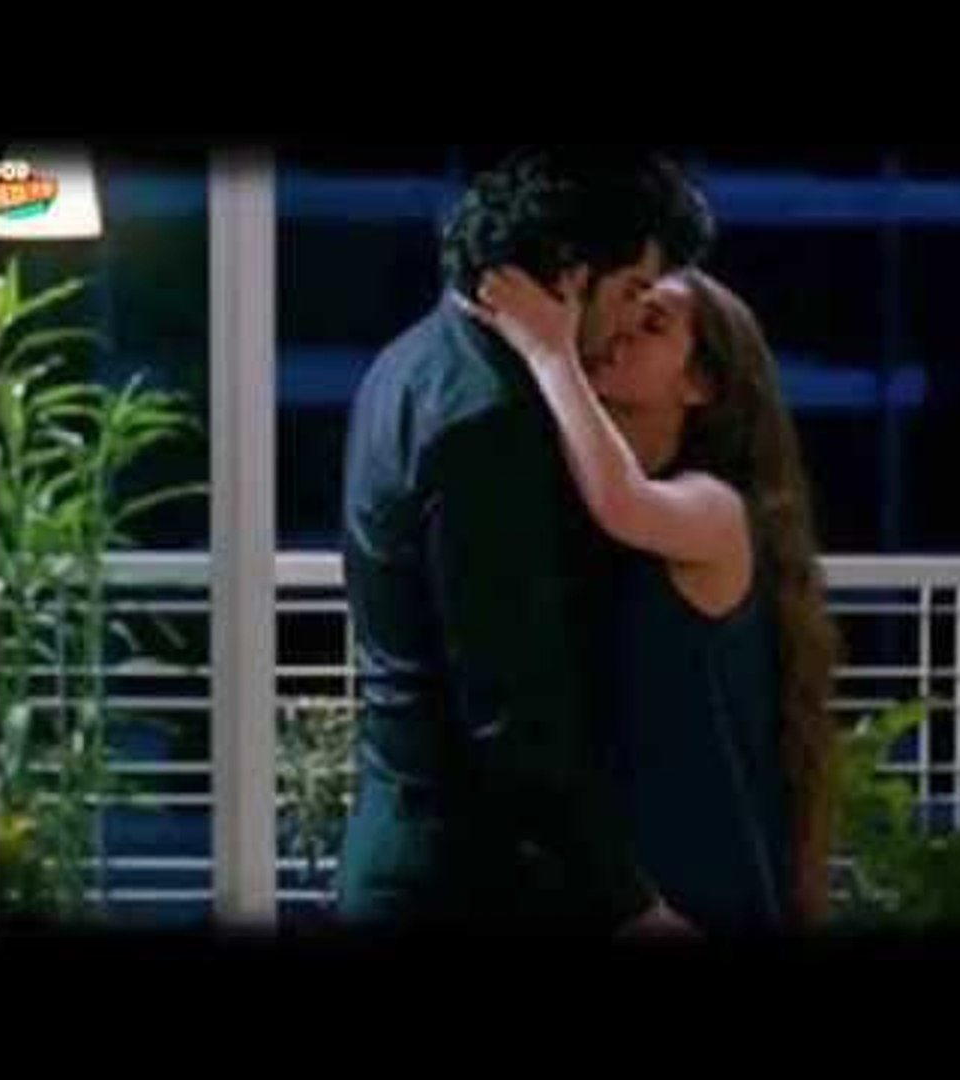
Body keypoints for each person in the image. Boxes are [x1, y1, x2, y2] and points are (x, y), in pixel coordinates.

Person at [335, 148, 715, 932]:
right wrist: (632, 904)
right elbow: (514, 706)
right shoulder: (490, 419)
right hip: (470, 880)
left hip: (415, 848)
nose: (627, 326)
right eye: (632, 290)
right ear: (571, 273)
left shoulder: (410, 362)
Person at [466, 263, 844, 931]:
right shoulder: (589, 496)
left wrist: (549, 350)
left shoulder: (717, 509)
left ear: (700, 384)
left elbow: (623, 502)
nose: (622, 329)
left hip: (700, 895)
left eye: (653, 323)